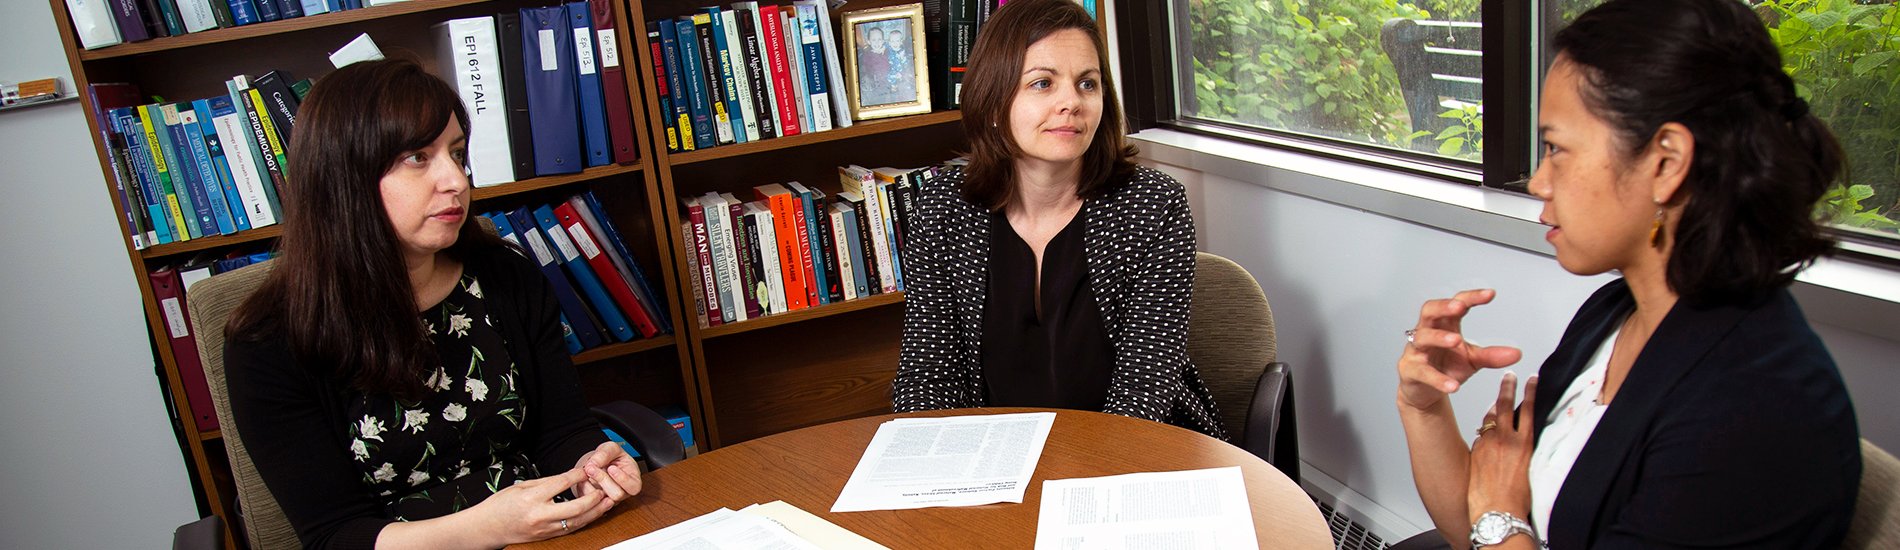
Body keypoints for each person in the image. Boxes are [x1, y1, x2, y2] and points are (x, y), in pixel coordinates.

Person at [1394, 0, 1861, 548]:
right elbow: (1473, 525)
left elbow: (1494, 516)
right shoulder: (1614, 313)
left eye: (1556, 148)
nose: (1538, 182)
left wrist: (1500, 511)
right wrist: (1423, 405)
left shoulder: (1757, 410)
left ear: (1665, 162)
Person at [223, 59, 643, 549]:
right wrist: (488, 528)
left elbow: (562, 432)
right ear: (345, 177)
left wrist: (591, 466)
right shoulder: (268, 343)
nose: (456, 181)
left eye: (457, 153)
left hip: (545, 538)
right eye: (418, 158)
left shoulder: (506, 277)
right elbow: (335, 536)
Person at [893, 0, 1225, 439]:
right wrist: (928, 461)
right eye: (1043, 83)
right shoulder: (942, 207)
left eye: (1087, 84)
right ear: (994, 101)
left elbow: (1144, 388)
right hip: (994, 455)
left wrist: (1082, 481)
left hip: (1140, 449)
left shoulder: (1153, 205)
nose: (1071, 102)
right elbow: (927, 372)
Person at [856, 26, 893, 106]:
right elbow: (868, 70)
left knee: (889, 101)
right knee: (878, 101)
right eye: (874, 40)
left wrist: (883, 51)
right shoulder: (867, 55)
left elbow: (891, 62)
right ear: (869, 41)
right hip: (875, 84)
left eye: (879, 39)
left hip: (888, 81)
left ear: (883, 41)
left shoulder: (887, 51)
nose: (877, 43)